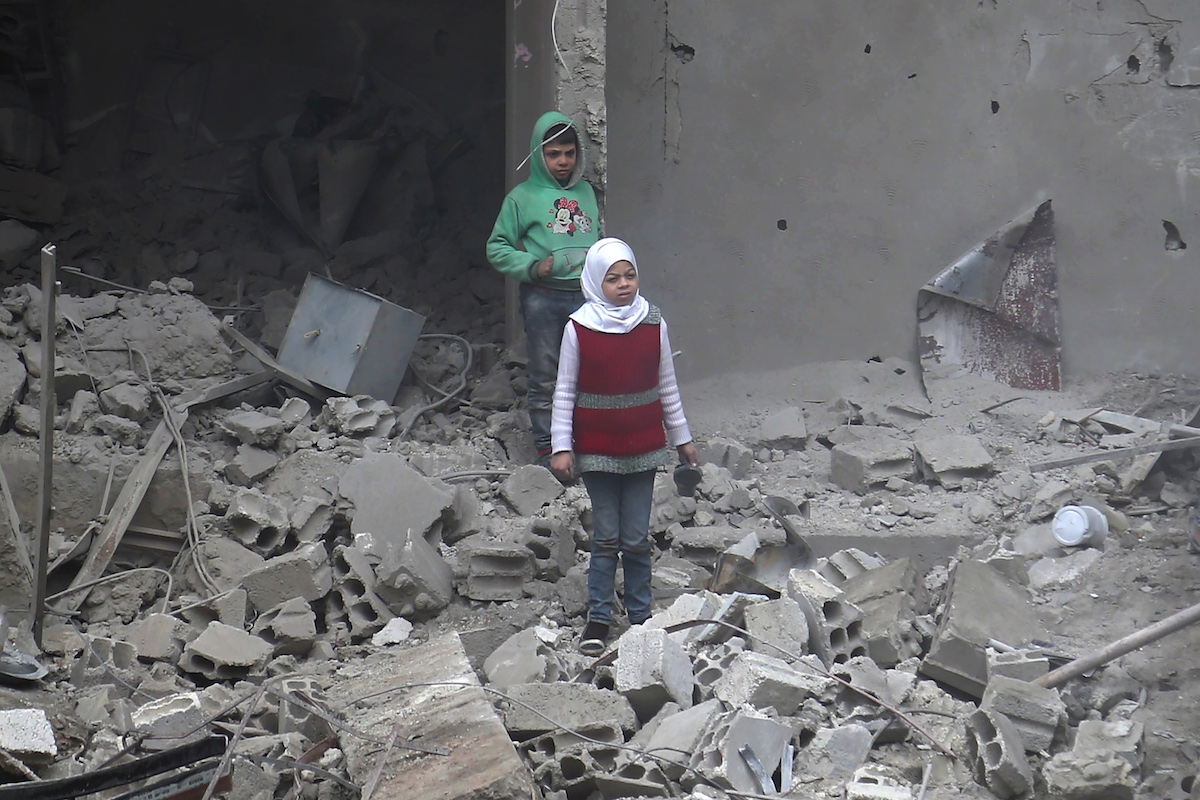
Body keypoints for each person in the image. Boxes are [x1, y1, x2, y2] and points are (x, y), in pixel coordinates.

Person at [549, 237, 700, 655]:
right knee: (606, 537)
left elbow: (666, 386)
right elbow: (564, 391)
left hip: (644, 448)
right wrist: (562, 446)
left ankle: (640, 616)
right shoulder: (578, 328)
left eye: (629, 275)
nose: (623, 285)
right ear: (597, 282)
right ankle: (598, 620)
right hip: (597, 450)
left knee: (636, 537)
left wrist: (682, 440)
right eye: (612, 278)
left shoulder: (653, 324)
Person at [486, 112, 601, 465]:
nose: (563, 161)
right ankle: (548, 448)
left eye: (569, 153)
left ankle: (587, 445)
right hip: (543, 296)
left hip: (586, 297)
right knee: (545, 374)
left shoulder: (586, 192)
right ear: (539, 155)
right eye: (553, 154)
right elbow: (497, 247)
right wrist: (533, 267)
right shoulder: (522, 198)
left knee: (590, 372)